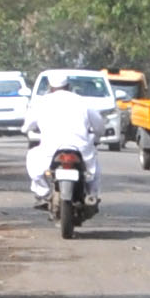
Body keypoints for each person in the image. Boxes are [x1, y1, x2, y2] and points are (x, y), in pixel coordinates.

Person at [24, 74, 112, 205]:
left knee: (32, 158)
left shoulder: (42, 102)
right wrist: (97, 136)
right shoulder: (82, 101)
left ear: (50, 87)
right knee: (94, 170)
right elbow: (98, 125)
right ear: (68, 87)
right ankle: (92, 195)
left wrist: (28, 129)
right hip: (81, 147)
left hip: (51, 148)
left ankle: (43, 192)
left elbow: (27, 125)